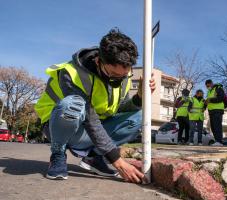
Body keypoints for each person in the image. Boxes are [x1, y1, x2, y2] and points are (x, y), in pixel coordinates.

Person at [35, 29, 156, 183]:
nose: (119, 80)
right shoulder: (71, 73)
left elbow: (120, 108)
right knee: (73, 105)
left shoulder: (122, 76)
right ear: (99, 61)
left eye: (124, 76)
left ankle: (93, 158)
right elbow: (90, 119)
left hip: (90, 129)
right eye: (113, 74)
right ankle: (58, 154)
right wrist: (117, 161)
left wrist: (140, 97)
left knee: (139, 117)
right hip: (59, 126)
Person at [205, 79, 224, 146]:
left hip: (218, 109)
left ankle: (219, 141)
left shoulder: (218, 88)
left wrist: (211, 100)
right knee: (213, 127)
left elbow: (221, 98)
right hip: (211, 111)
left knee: (217, 126)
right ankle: (217, 141)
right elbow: (209, 100)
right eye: (207, 86)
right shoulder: (209, 91)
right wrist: (206, 102)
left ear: (212, 83)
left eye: (208, 85)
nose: (208, 87)